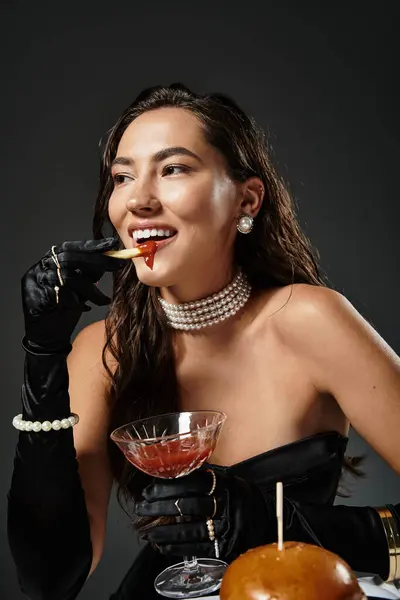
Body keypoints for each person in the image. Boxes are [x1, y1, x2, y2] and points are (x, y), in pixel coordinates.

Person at [7, 83, 400, 600]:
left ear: (247, 199)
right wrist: (43, 357)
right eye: (123, 177)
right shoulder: (102, 351)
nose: (139, 201)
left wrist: (281, 529)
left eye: (173, 169)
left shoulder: (310, 319)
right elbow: (49, 581)